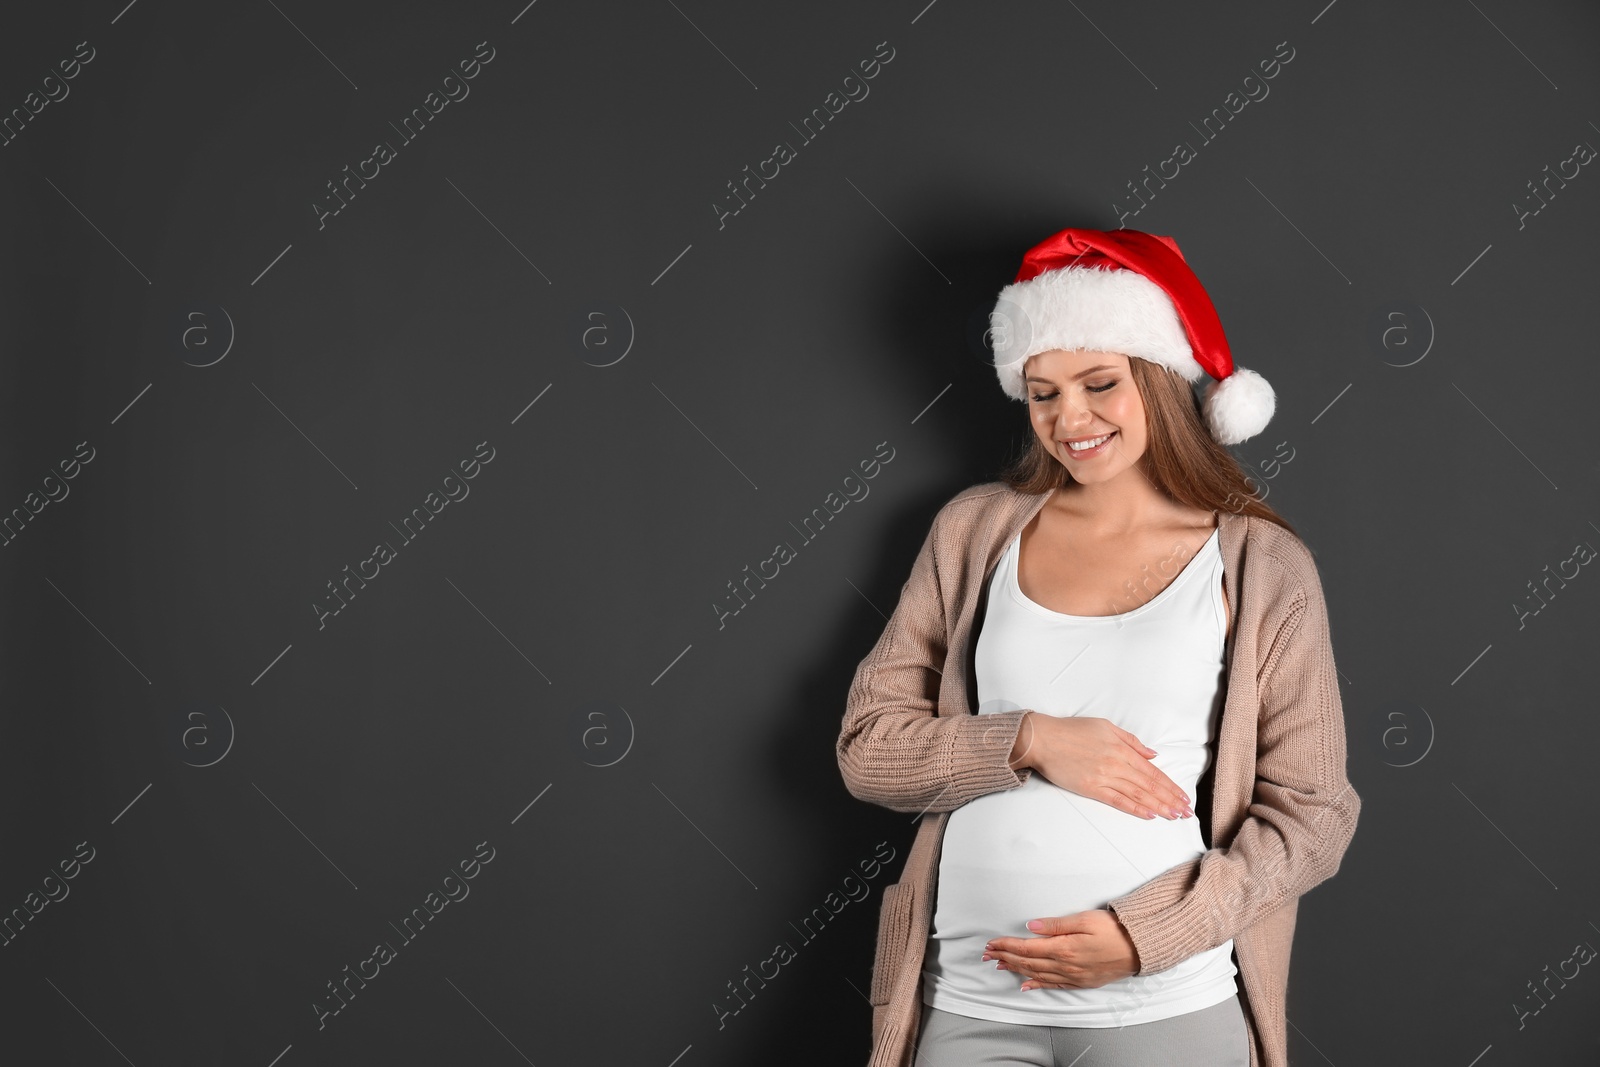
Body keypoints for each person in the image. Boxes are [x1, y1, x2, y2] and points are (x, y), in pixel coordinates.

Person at [836, 227, 1360, 1067]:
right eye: (1042, 393)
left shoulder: (1263, 565)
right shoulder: (974, 531)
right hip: (969, 1002)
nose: (1068, 418)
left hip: (1166, 1006)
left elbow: (1315, 814)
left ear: (1159, 378)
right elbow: (868, 750)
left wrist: (1144, 936)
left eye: (1099, 383)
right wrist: (1031, 740)